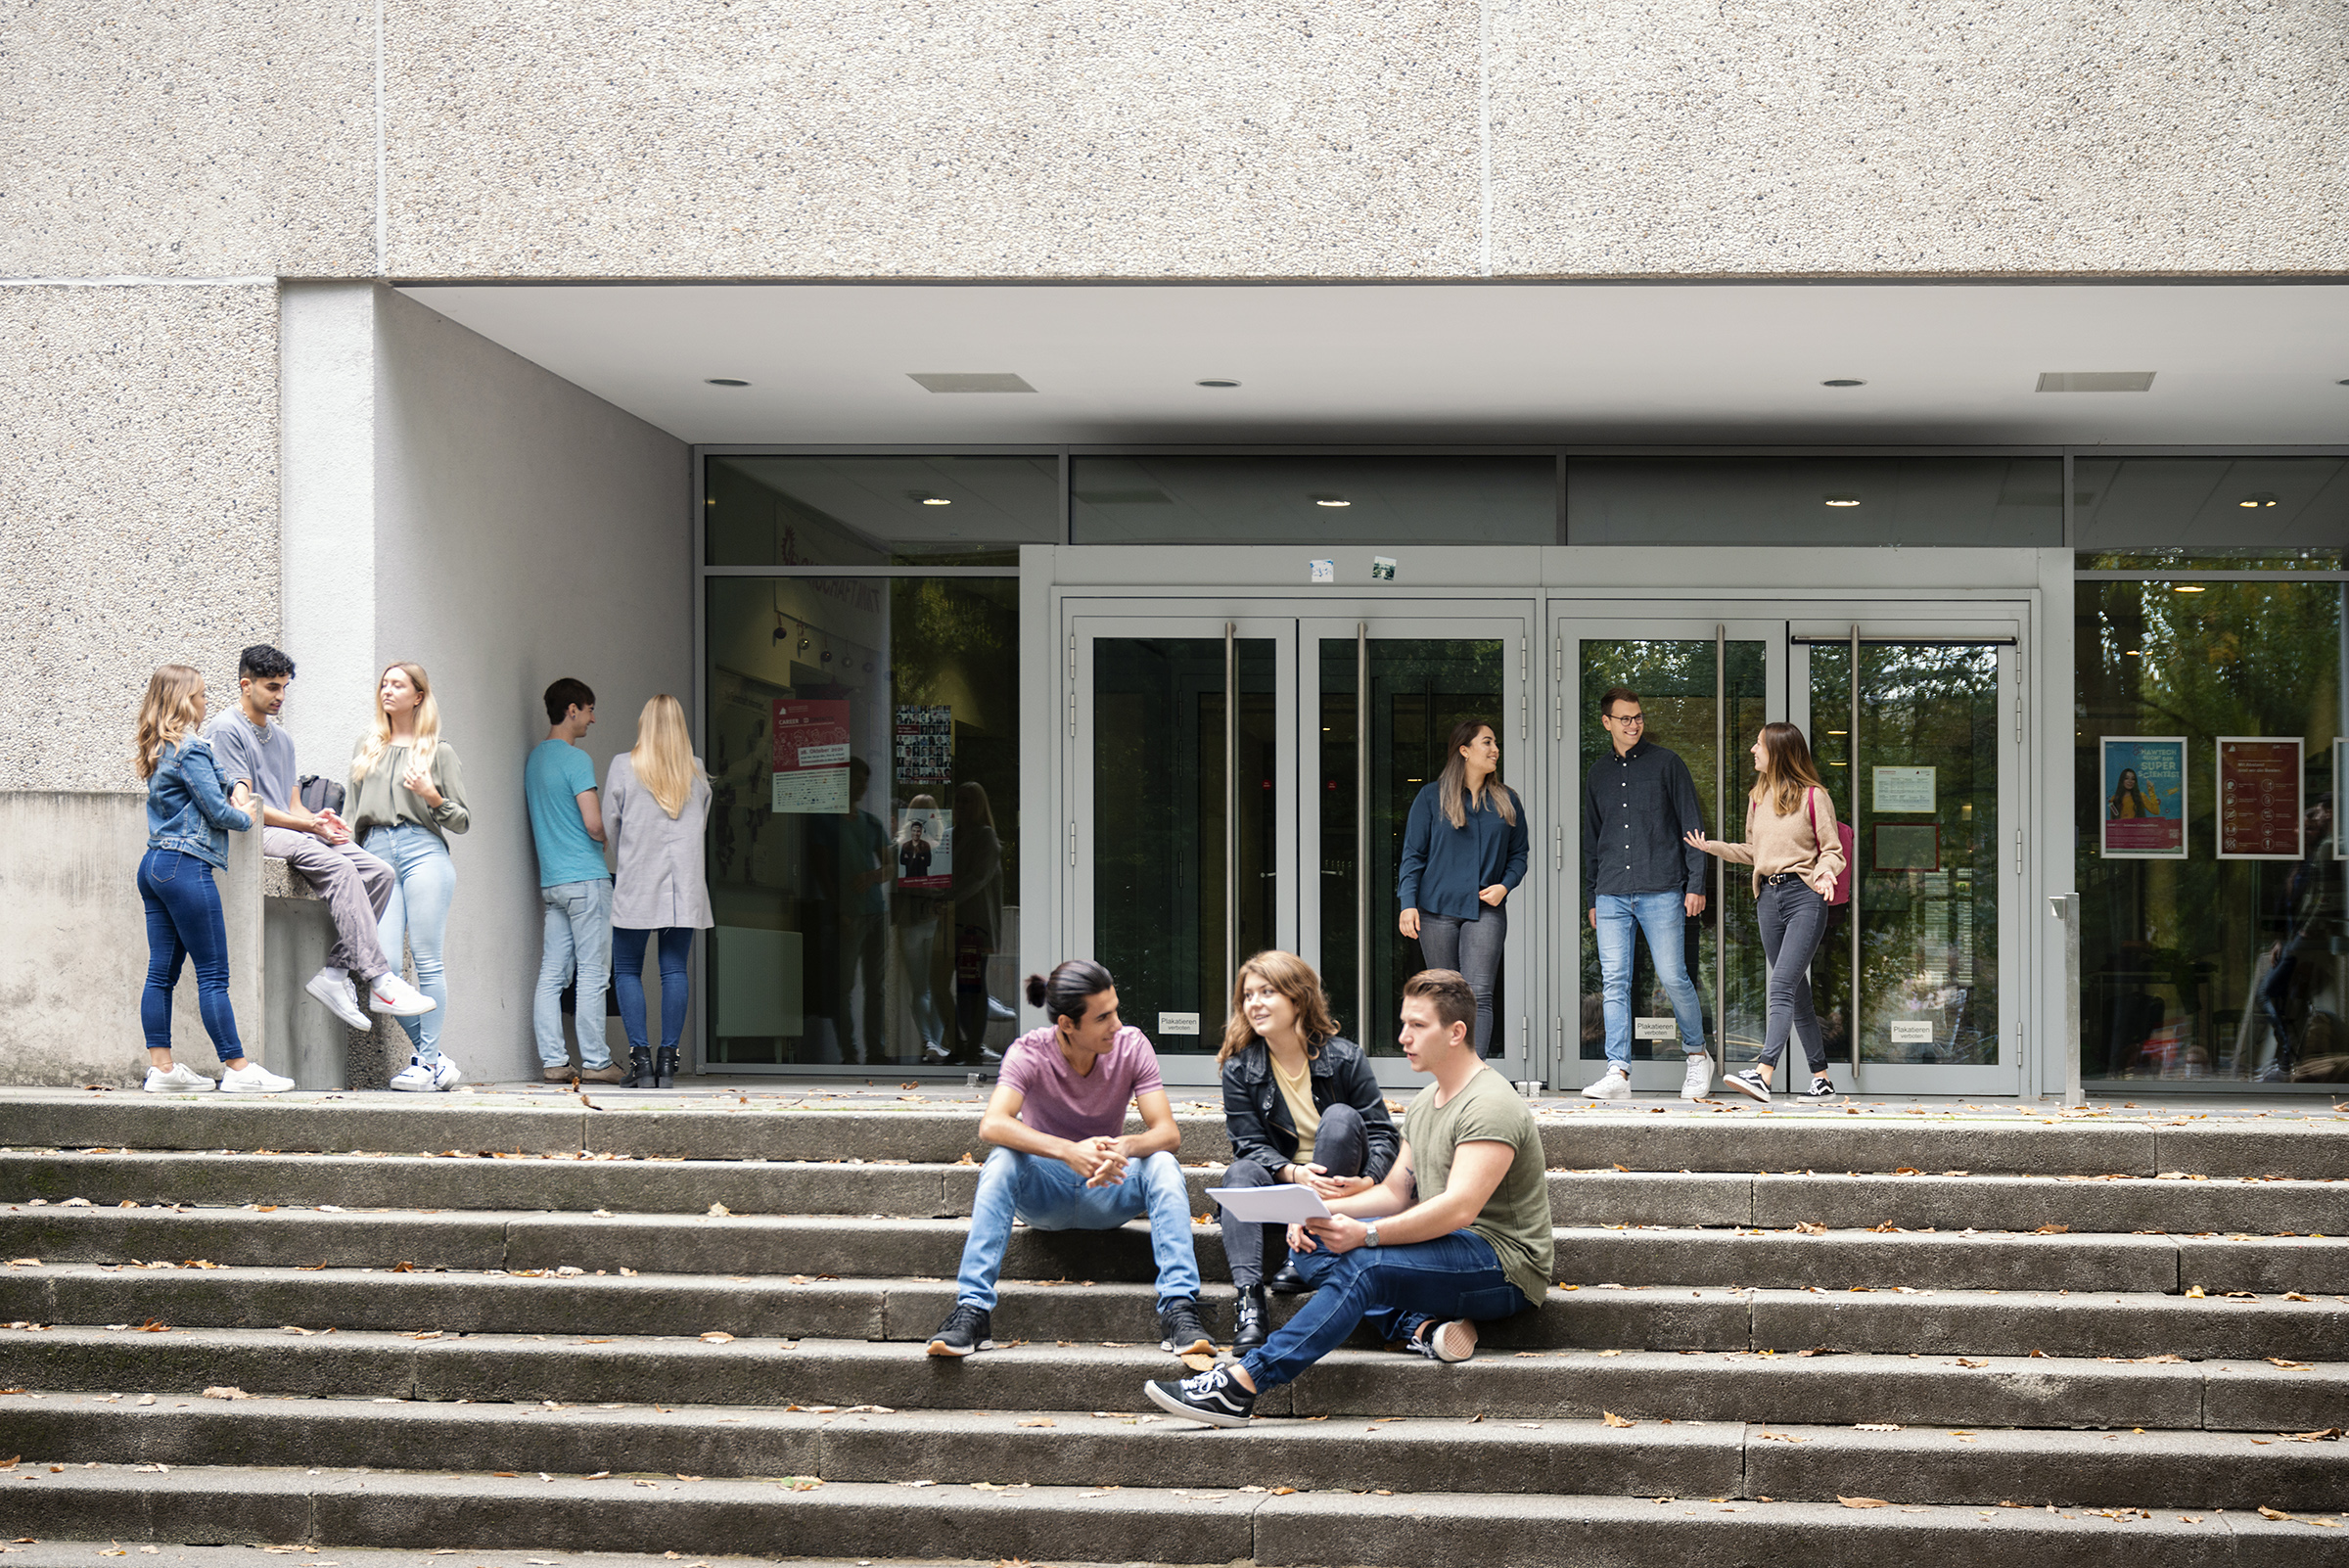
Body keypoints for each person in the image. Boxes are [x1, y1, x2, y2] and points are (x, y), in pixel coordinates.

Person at [1145, 969, 1551, 1427]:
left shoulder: (1490, 1103)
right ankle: (1419, 1328)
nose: (1403, 1037)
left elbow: (1459, 1208)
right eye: (1404, 1024)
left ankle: (1242, 1384)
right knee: (1316, 1246)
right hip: (1450, 1249)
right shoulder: (1425, 1102)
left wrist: (1367, 1235)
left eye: (1418, 1026)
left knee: (1364, 1262)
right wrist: (1313, 1210)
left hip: (1503, 1265)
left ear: (1456, 1032)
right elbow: (1395, 1193)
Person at [927, 959, 1212, 1360]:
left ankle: (1180, 1309)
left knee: (1162, 1162)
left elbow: (1168, 1132)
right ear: (1067, 1024)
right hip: (1047, 1193)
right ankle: (973, 1311)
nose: (1117, 1024)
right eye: (1103, 1017)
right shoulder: (1028, 1052)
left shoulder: (1131, 1045)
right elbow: (992, 1124)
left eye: (1115, 1010)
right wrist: (1067, 1150)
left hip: (1109, 1188)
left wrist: (1124, 1147)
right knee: (1003, 1159)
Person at [204, 644, 434, 1035]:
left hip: (291, 831)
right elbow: (247, 804)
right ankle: (380, 981)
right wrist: (307, 829)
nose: (280, 696)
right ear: (246, 685)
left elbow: (292, 805)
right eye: (272, 687)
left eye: (284, 688)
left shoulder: (283, 739)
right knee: (341, 868)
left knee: (379, 872)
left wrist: (319, 820)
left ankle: (335, 972)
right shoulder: (227, 729)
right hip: (255, 834)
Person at [1213, 950, 1400, 1351]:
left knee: (1340, 1118)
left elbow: (1383, 1134)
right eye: (1248, 995)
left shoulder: (1345, 1057)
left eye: (1267, 992)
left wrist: (1366, 1182)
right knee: (1240, 1172)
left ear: (1297, 999)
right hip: (1283, 1186)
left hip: (1339, 1187)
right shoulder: (1240, 1068)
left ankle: (1302, 1253)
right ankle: (1249, 1301)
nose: (1254, 1003)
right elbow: (1248, 1145)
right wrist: (1293, 1173)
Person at [133, 664, 292, 1094]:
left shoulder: (162, 748)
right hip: (185, 866)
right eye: (201, 695)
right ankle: (238, 1069)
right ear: (185, 700)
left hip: (154, 866)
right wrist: (243, 815)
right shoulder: (190, 748)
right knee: (213, 974)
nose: (206, 702)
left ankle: (162, 1070)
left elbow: (221, 783)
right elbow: (218, 809)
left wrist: (236, 785)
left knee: (160, 975)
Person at [1685, 721, 1848, 1103]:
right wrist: (1714, 848)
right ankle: (1821, 1078)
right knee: (1796, 992)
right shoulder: (1757, 797)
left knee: (1779, 985)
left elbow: (1833, 850)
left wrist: (1825, 874)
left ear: (1777, 751)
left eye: (1758, 745)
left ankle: (1763, 1071)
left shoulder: (1814, 796)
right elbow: (1754, 853)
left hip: (1805, 896)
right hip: (1769, 899)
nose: (1753, 751)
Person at [1581, 685, 1713, 1103]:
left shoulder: (1667, 764)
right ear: (1607, 722)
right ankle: (1617, 1071)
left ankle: (1697, 1056)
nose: (1634, 723)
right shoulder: (1597, 774)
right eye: (1625, 718)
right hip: (1612, 893)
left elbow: (1692, 828)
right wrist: (1591, 897)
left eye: (1638, 717)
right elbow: (1591, 839)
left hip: (1662, 888)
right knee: (1615, 981)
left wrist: (1696, 883)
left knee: (1674, 977)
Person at [349, 661, 470, 1093]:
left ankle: (426, 1063)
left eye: (398, 684)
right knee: (383, 967)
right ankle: (435, 1061)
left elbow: (461, 820)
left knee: (426, 957)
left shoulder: (439, 751)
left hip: (423, 851)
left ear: (418, 695)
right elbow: (351, 816)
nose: (388, 690)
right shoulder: (369, 746)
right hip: (375, 854)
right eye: (383, 683)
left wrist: (431, 794)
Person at [1396, 718, 1528, 1056]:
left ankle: (1473, 1074)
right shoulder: (1430, 798)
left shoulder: (1506, 799)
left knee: (1479, 993)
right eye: (1487, 742)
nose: (1495, 749)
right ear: (1464, 750)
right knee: (1443, 996)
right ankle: (1447, 1071)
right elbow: (1413, 856)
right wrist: (1407, 903)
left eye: (1495, 742)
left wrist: (1505, 886)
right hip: (1436, 911)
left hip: (1486, 909)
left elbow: (1519, 854)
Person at [602, 694, 714, 1089]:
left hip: (637, 881)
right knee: (674, 970)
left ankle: (642, 1061)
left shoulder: (623, 766)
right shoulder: (696, 771)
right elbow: (699, 829)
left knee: (628, 969)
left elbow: (611, 826)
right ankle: (669, 1061)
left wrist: (632, 858)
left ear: (644, 723)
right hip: (683, 887)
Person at [527, 677, 622, 1084]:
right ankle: (597, 1063)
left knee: (551, 975)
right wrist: (611, 837)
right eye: (589, 709)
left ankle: (553, 1061)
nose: (593, 718)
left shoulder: (534, 760)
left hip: (553, 884)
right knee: (593, 974)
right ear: (571, 710)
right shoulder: (575, 759)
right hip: (586, 880)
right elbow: (595, 824)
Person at [946, 780, 1016, 1062]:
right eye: (958, 800)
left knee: (972, 985)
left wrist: (946, 898)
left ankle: (973, 1045)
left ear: (979, 805)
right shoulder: (950, 836)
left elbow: (977, 878)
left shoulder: (986, 837)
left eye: (968, 801)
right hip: (949, 923)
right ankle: (964, 1044)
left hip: (974, 924)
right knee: (959, 986)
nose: (962, 806)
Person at [893, 795, 950, 1059]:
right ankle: (934, 1044)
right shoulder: (941, 846)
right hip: (935, 921)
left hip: (909, 922)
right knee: (938, 987)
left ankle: (929, 1042)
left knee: (921, 989)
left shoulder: (899, 846)